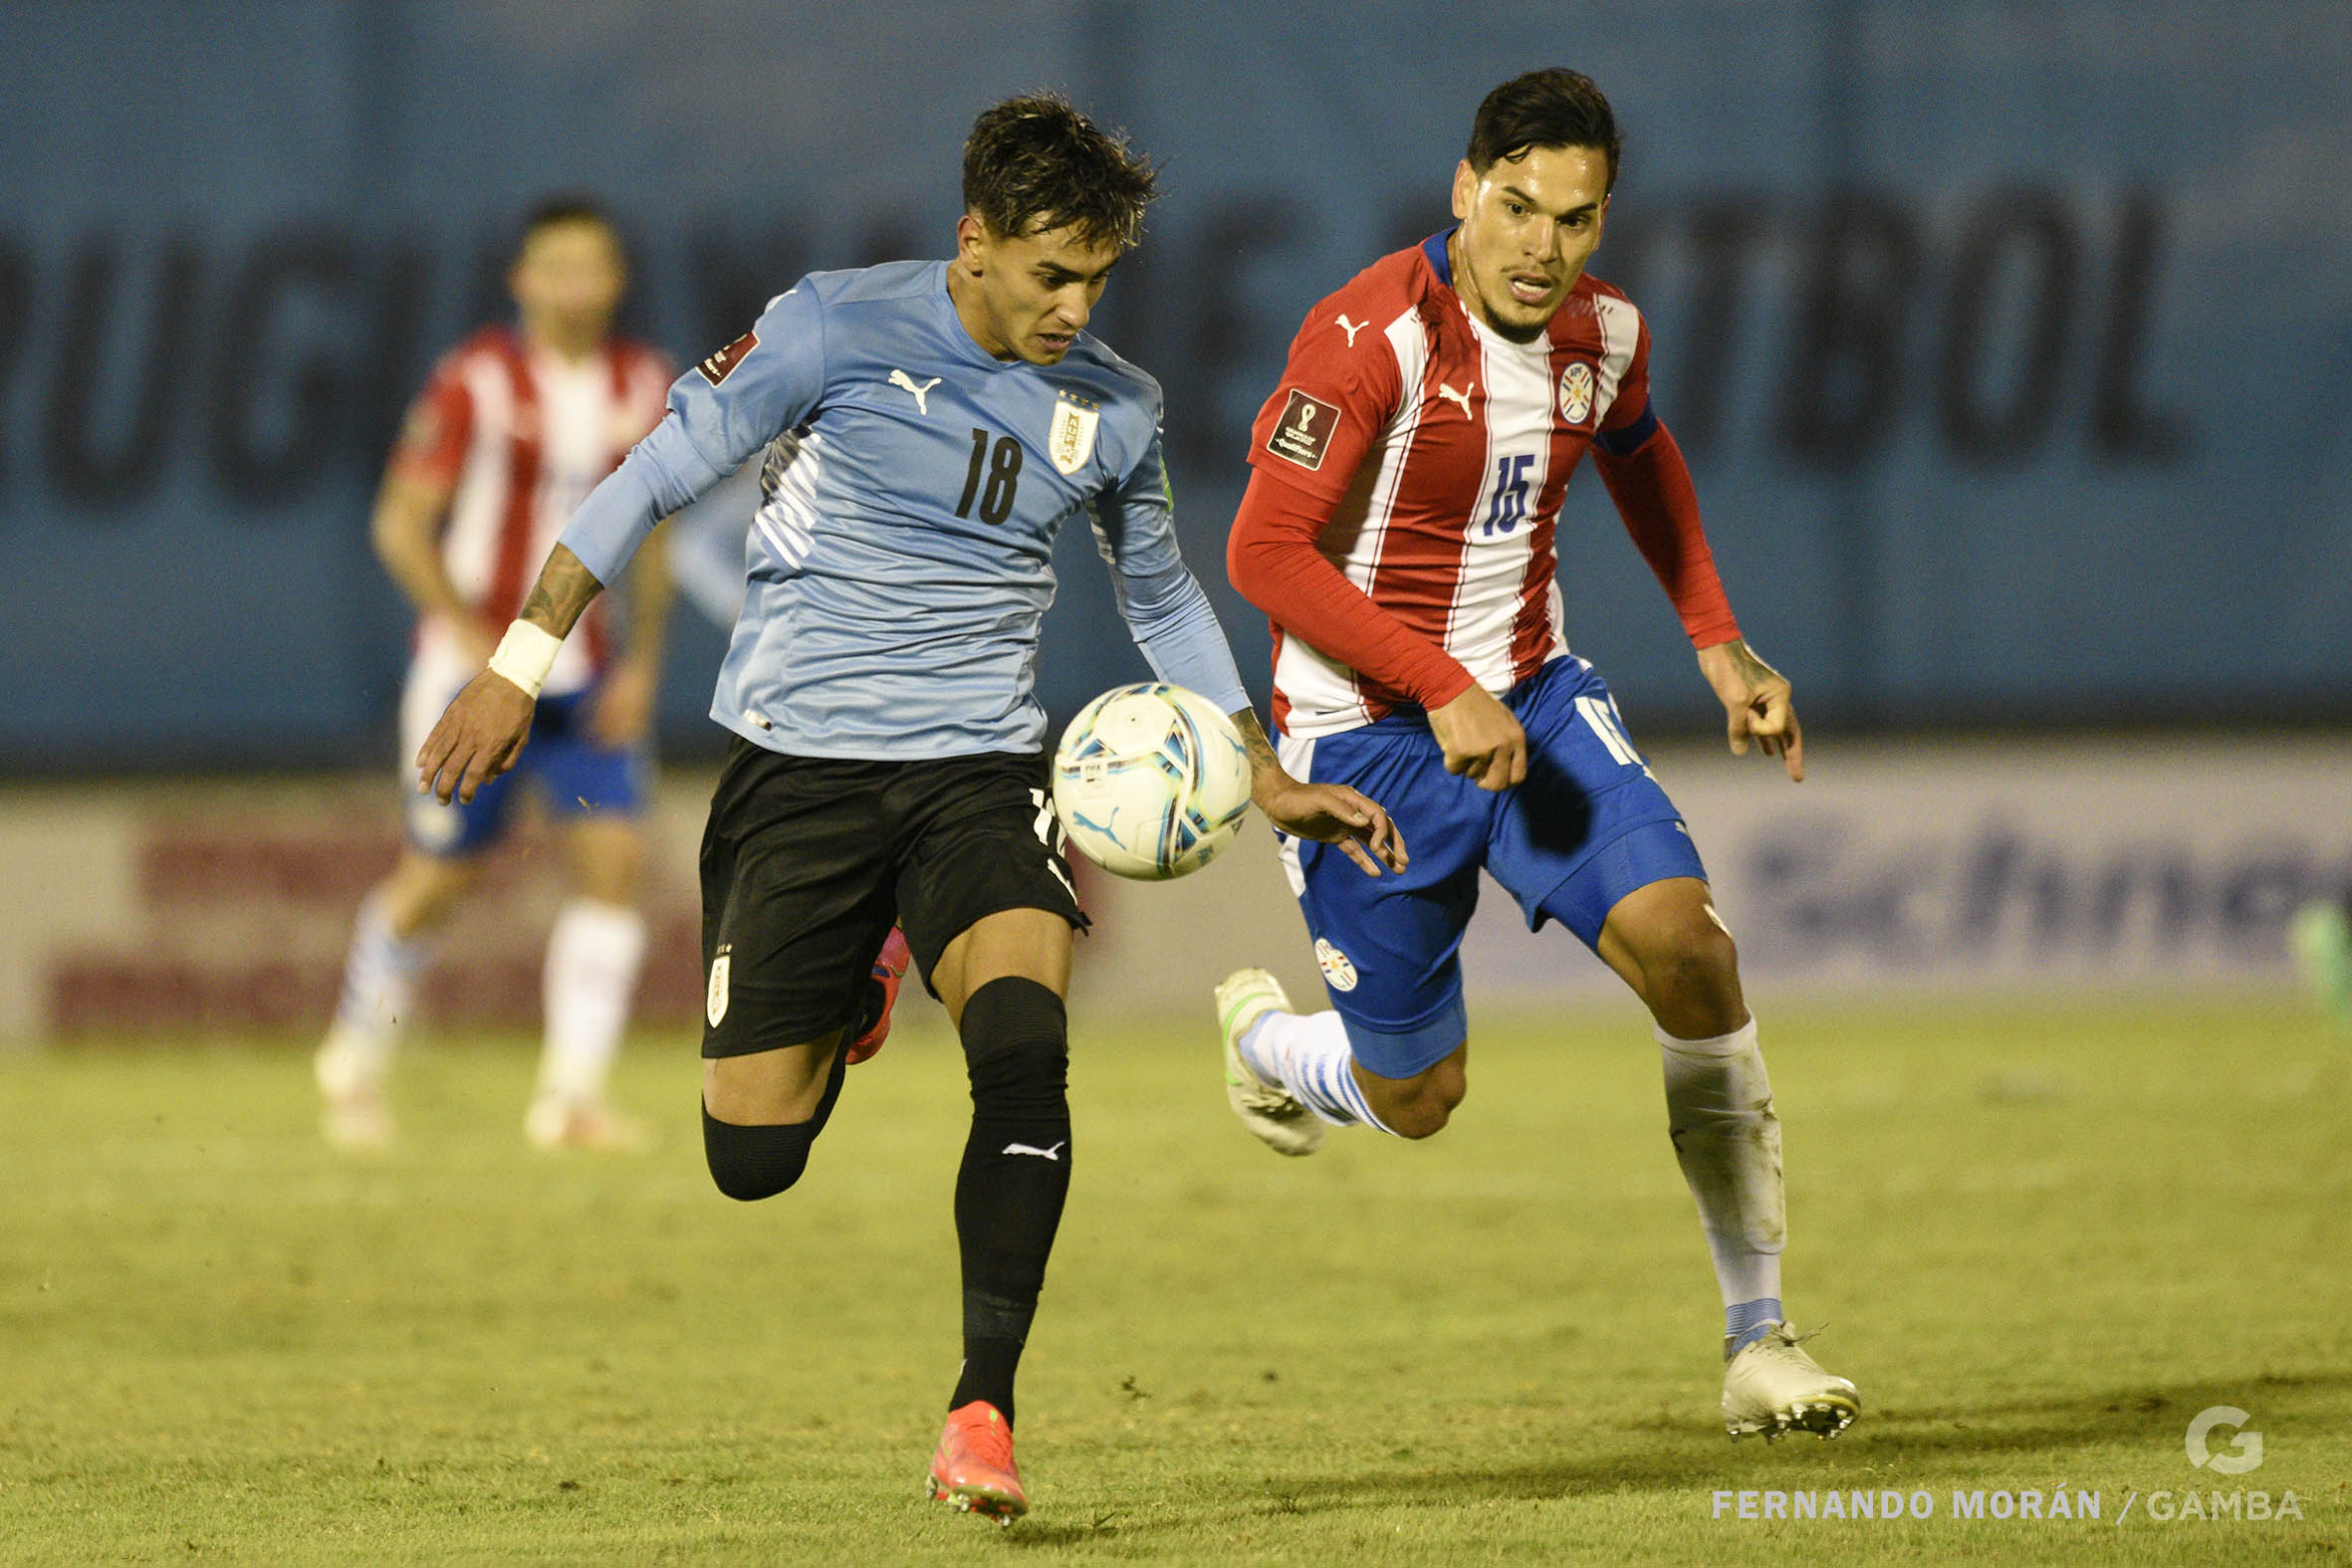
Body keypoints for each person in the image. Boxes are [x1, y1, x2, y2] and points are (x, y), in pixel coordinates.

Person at [413, 97, 1403, 1524]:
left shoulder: (1115, 408)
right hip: (796, 775)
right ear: (974, 245)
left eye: (1097, 280)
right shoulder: (827, 329)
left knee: (1025, 1051)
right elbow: (642, 481)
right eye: (1049, 274)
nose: (1074, 307)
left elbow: (1161, 592)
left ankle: (981, 1408)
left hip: (981, 776)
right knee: (751, 1155)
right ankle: (866, 976)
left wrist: (1260, 765)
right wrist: (516, 666)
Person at [1212, 68, 1860, 1442]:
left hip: (1534, 705)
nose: (1540, 247)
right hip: (1361, 741)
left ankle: (1759, 1335)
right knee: (1417, 1094)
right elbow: (1261, 549)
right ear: (1464, 188)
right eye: (1515, 207)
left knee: (1689, 947)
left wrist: (1716, 637)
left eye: (1574, 219)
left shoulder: (1602, 332)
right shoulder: (1364, 338)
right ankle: (1272, 1045)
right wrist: (1438, 685)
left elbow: (1638, 451)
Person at [314, 198, 677, 1153]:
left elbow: (655, 544)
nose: (575, 286)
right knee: (440, 876)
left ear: (616, 280)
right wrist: (479, 637)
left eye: (592, 267)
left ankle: (569, 1100)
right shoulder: (473, 382)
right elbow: (400, 522)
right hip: (469, 680)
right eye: (555, 267)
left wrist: (642, 661)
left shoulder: (643, 384)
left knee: (617, 864)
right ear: (521, 279)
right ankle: (353, 1054)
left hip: (588, 680)